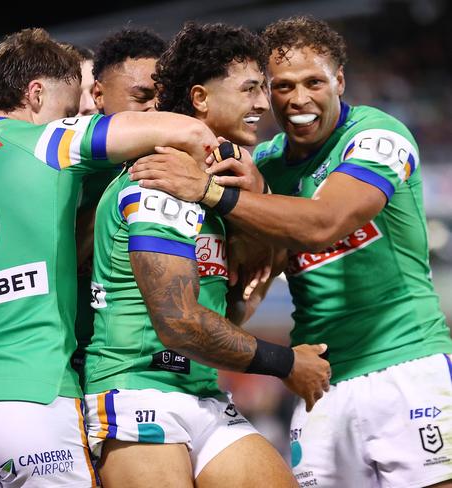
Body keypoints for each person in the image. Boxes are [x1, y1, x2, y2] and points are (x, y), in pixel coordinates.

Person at [129, 15, 452, 488]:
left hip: (405, 366)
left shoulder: (377, 136)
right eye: (282, 86)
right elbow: (242, 284)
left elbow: (325, 223)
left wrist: (217, 195)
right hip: (318, 381)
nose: (298, 99)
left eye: (314, 82)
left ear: (340, 80)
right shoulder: (264, 165)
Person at [0, 28, 218, 487]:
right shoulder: (46, 143)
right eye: (70, 110)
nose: (74, 118)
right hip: (31, 400)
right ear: (35, 94)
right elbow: (189, 129)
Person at [84, 22, 330, 488]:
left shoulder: (210, 188)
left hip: (200, 392)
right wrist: (286, 363)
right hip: (138, 388)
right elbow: (178, 321)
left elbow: (235, 310)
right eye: (250, 89)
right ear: (200, 99)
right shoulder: (159, 178)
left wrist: (252, 200)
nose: (264, 103)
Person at [73, 28, 168, 380]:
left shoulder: (172, 161)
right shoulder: (65, 165)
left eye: (162, 95)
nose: (155, 108)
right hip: (65, 366)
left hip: (143, 364)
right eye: (141, 95)